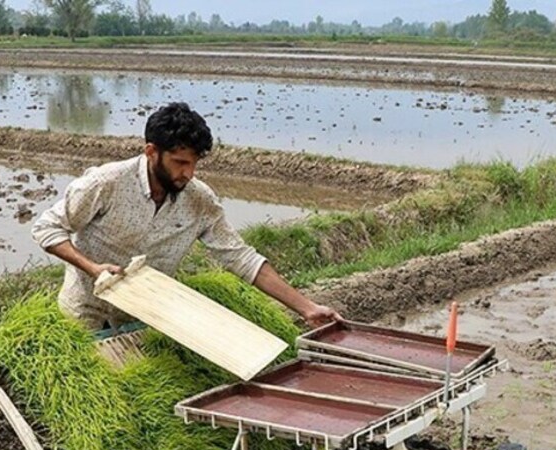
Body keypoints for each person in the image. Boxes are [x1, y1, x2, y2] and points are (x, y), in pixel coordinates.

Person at [31, 101, 341, 333]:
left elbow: (241, 257)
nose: (188, 173)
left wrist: (307, 308)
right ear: (151, 152)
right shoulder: (106, 183)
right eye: (180, 163)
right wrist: (93, 268)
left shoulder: (199, 199)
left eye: (194, 163)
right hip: (87, 313)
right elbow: (47, 228)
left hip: (144, 317)